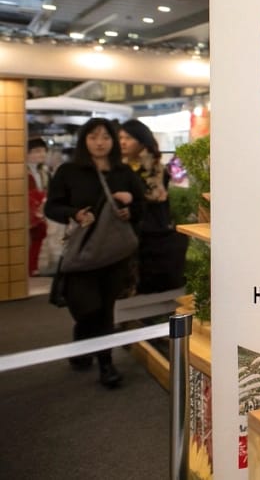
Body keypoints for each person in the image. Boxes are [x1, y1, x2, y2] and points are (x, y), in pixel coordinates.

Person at [45, 118, 145, 388]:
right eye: (93, 137)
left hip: (114, 254)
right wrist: (73, 214)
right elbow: (51, 207)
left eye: (105, 137)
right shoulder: (69, 171)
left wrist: (130, 210)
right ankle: (82, 338)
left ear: (113, 141)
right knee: (86, 309)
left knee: (105, 309)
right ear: (84, 140)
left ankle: (106, 364)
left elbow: (142, 206)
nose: (100, 142)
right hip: (84, 252)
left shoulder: (123, 172)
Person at [119, 119, 189, 294]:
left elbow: (160, 201)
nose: (123, 142)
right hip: (126, 232)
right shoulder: (118, 169)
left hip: (153, 234)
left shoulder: (158, 169)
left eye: (128, 137)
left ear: (142, 140)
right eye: (120, 137)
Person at [26, 137, 51, 276]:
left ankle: (33, 267)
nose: (41, 154)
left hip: (39, 212)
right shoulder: (22, 171)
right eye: (36, 151)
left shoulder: (43, 172)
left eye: (43, 151)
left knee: (38, 237)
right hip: (27, 212)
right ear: (27, 153)